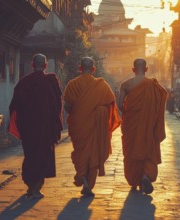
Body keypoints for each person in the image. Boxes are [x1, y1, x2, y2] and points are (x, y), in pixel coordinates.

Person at [63, 57, 120, 197]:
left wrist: (80, 112)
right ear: (93, 69)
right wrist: (99, 113)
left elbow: (67, 106)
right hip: (95, 126)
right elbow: (111, 105)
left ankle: (82, 177)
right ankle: (88, 182)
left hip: (79, 127)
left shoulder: (72, 85)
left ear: (80, 68)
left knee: (80, 153)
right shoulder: (102, 86)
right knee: (93, 153)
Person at [8, 53, 63, 199]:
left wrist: (20, 125)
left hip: (29, 130)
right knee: (43, 157)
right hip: (46, 129)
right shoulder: (51, 82)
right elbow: (58, 106)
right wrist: (56, 125)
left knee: (30, 156)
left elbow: (14, 106)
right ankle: (37, 188)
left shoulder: (23, 83)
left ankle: (30, 187)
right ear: (45, 65)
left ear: (33, 65)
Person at [118, 58, 167, 194]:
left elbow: (120, 104)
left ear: (133, 69)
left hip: (131, 125)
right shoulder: (153, 85)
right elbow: (162, 99)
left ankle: (134, 179)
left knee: (132, 151)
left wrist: (129, 115)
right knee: (148, 150)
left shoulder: (126, 84)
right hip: (148, 125)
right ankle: (146, 175)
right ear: (146, 69)